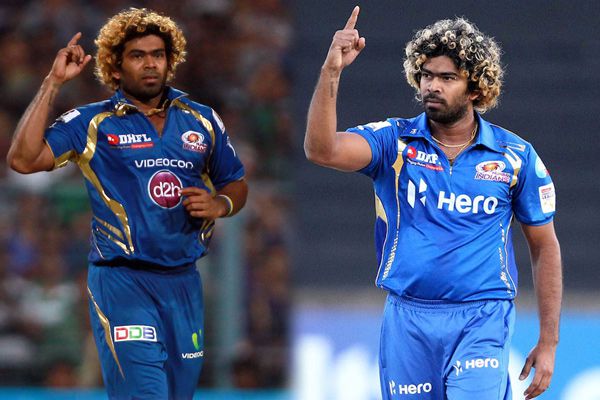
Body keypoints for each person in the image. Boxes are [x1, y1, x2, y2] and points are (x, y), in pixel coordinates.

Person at [304, 7, 562, 400]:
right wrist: (331, 72)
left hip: (482, 318)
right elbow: (321, 150)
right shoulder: (394, 142)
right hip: (408, 320)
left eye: (447, 78)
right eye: (426, 75)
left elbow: (544, 246)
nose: (432, 86)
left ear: (475, 88)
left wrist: (548, 342)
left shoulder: (515, 156)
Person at [7, 8, 248, 399]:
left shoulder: (202, 120)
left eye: (158, 54)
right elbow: (23, 159)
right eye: (138, 55)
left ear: (170, 61)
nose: (150, 63)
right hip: (122, 282)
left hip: (184, 282)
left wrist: (220, 204)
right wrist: (53, 83)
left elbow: (235, 182)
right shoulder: (92, 122)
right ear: (115, 68)